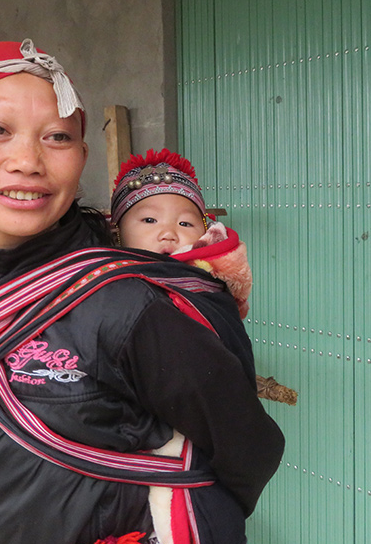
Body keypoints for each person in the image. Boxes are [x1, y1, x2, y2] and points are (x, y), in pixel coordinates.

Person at [0, 39, 284, 544]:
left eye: (57, 137)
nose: (28, 160)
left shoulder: (133, 305)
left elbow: (249, 448)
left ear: (81, 158)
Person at [110, 148, 297, 406]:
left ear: (204, 232)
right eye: (150, 220)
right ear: (117, 231)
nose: (168, 233)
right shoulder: (101, 285)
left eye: (185, 224)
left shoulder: (210, 289)